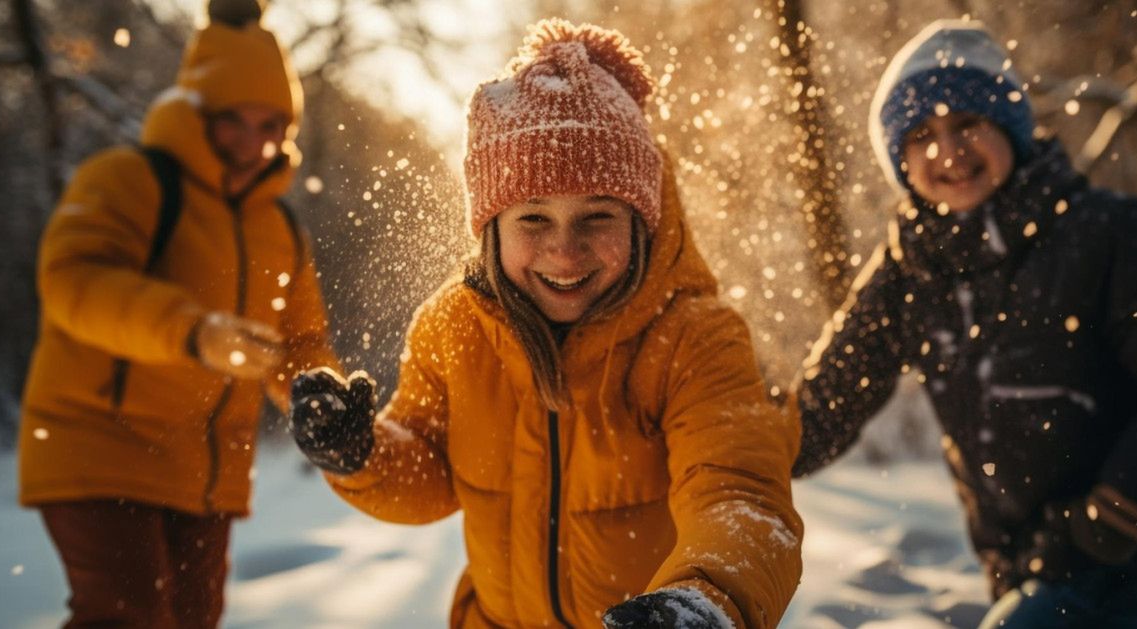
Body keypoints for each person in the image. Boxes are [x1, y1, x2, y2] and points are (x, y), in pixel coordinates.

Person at [289, 18, 803, 629]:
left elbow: (739, 494)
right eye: (534, 219)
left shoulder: (695, 338)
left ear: (643, 222)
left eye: (597, 218)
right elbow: (429, 469)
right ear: (490, 229)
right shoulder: (454, 327)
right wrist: (364, 452)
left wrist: (704, 600)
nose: (565, 252)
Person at [788, 19, 1137, 629]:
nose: (948, 151)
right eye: (921, 134)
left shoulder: (1103, 232)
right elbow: (820, 410)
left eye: (967, 123)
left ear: (1010, 128)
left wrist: (1111, 518)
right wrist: (723, 443)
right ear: (900, 159)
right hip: (1034, 559)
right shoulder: (909, 271)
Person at [18, 1, 337, 626]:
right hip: (100, 446)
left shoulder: (280, 228)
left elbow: (300, 342)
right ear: (198, 114)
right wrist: (195, 332)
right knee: (127, 616)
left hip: (205, 474)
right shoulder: (129, 180)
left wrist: (318, 397)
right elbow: (74, 281)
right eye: (234, 123)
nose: (254, 143)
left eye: (271, 124)